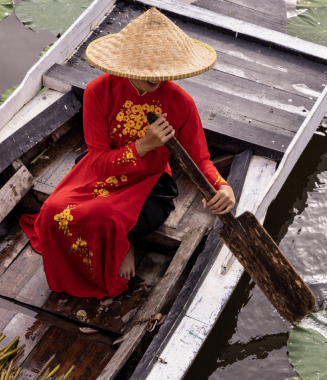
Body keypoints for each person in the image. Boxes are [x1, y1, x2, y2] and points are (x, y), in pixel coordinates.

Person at [19, 8, 235, 299]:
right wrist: (144, 145)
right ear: (127, 63)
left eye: (162, 69)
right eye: (146, 67)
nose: (155, 76)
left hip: (149, 186)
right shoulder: (99, 91)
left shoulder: (181, 103)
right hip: (101, 171)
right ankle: (119, 245)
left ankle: (123, 244)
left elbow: (200, 159)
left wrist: (220, 186)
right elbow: (98, 162)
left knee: (103, 218)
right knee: (51, 212)